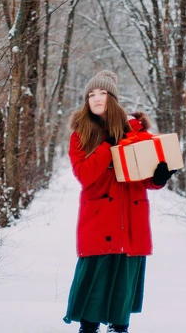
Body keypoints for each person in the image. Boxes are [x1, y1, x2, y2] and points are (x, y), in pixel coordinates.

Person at [64, 70, 176, 333]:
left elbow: (146, 177)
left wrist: (160, 177)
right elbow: (85, 175)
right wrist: (107, 146)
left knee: (122, 292)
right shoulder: (80, 135)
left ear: (112, 98)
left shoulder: (135, 132)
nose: (96, 98)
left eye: (102, 93)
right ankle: (88, 328)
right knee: (93, 289)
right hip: (99, 221)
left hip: (131, 221)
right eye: (91, 94)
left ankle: (119, 328)